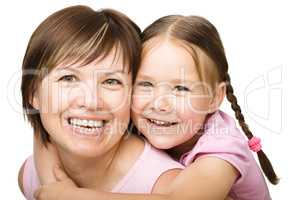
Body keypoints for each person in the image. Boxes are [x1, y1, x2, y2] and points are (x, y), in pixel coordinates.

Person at [29, 14, 278, 200]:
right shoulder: (135, 119)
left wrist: (70, 196)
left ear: (215, 98)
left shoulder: (223, 148)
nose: (159, 104)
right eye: (145, 84)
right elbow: (49, 134)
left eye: (181, 89)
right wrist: (51, 180)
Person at [17, 6, 185, 200]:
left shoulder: (167, 185)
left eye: (111, 81)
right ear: (33, 94)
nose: (91, 101)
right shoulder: (30, 176)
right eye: (68, 78)